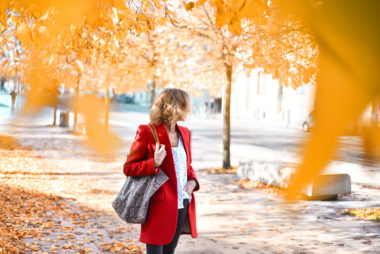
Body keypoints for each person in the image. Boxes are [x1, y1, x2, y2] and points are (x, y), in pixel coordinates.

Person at [123, 88, 200, 254]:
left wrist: (193, 181)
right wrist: (154, 163)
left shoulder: (185, 133)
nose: (188, 110)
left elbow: (188, 166)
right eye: (184, 105)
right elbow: (128, 168)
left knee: (169, 252)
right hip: (158, 206)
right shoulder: (147, 131)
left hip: (182, 204)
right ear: (173, 107)